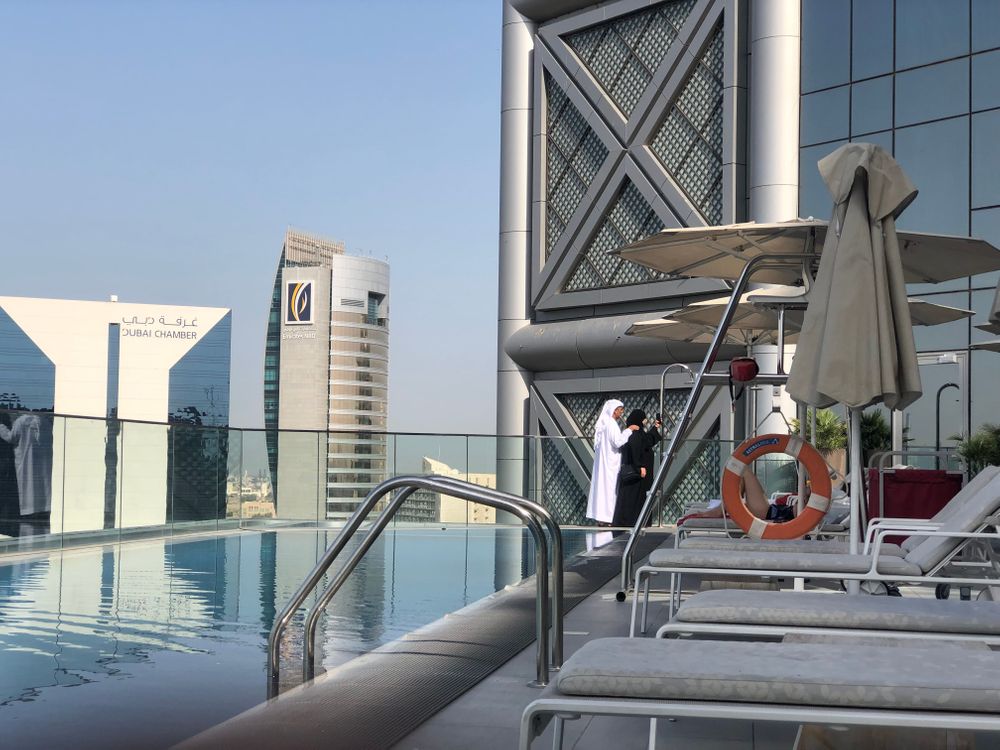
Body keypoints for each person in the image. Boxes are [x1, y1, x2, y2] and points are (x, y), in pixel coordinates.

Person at [586, 399, 639, 525]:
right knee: (610, 490)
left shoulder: (603, 424)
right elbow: (618, 441)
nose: (621, 413)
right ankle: (609, 517)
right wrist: (629, 430)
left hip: (603, 464)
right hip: (610, 464)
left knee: (602, 490)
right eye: (620, 410)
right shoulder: (611, 424)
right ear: (614, 410)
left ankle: (601, 518)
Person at [612, 409, 661, 527]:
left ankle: (635, 521)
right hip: (636, 473)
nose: (645, 421)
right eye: (643, 419)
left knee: (636, 498)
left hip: (637, 473)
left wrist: (656, 427)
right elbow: (635, 450)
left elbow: (647, 441)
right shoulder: (633, 434)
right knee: (632, 498)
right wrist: (640, 466)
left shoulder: (639, 433)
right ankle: (629, 522)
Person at [676, 469, 770, 526]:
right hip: (773, 509)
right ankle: (721, 508)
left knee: (743, 470)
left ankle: (720, 509)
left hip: (773, 513)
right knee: (740, 470)